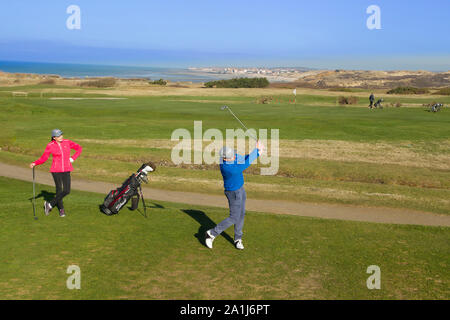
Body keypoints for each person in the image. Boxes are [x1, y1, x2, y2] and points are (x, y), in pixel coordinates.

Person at [204, 140, 265, 250]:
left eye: (234, 155)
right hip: (233, 193)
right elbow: (245, 164)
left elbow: (243, 158)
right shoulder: (228, 168)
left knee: (241, 214)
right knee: (234, 217)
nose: (234, 157)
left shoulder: (232, 157)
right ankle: (211, 233)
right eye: (232, 157)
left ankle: (238, 239)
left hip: (240, 189)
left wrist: (257, 151)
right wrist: (257, 152)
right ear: (225, 159)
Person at [29, 129, 82, 217]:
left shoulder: (67, 142)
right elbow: (44, 158)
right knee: (59, 190)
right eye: (59, 136)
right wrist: (35, 163)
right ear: (54, 138)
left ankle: (49, 204)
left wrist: (73, 158)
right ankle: (61, 209)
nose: (61, 137)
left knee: (66, 190)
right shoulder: (50, 146)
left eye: (61, 135)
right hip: (56, 170)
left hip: (66, 169)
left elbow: (79, 148)